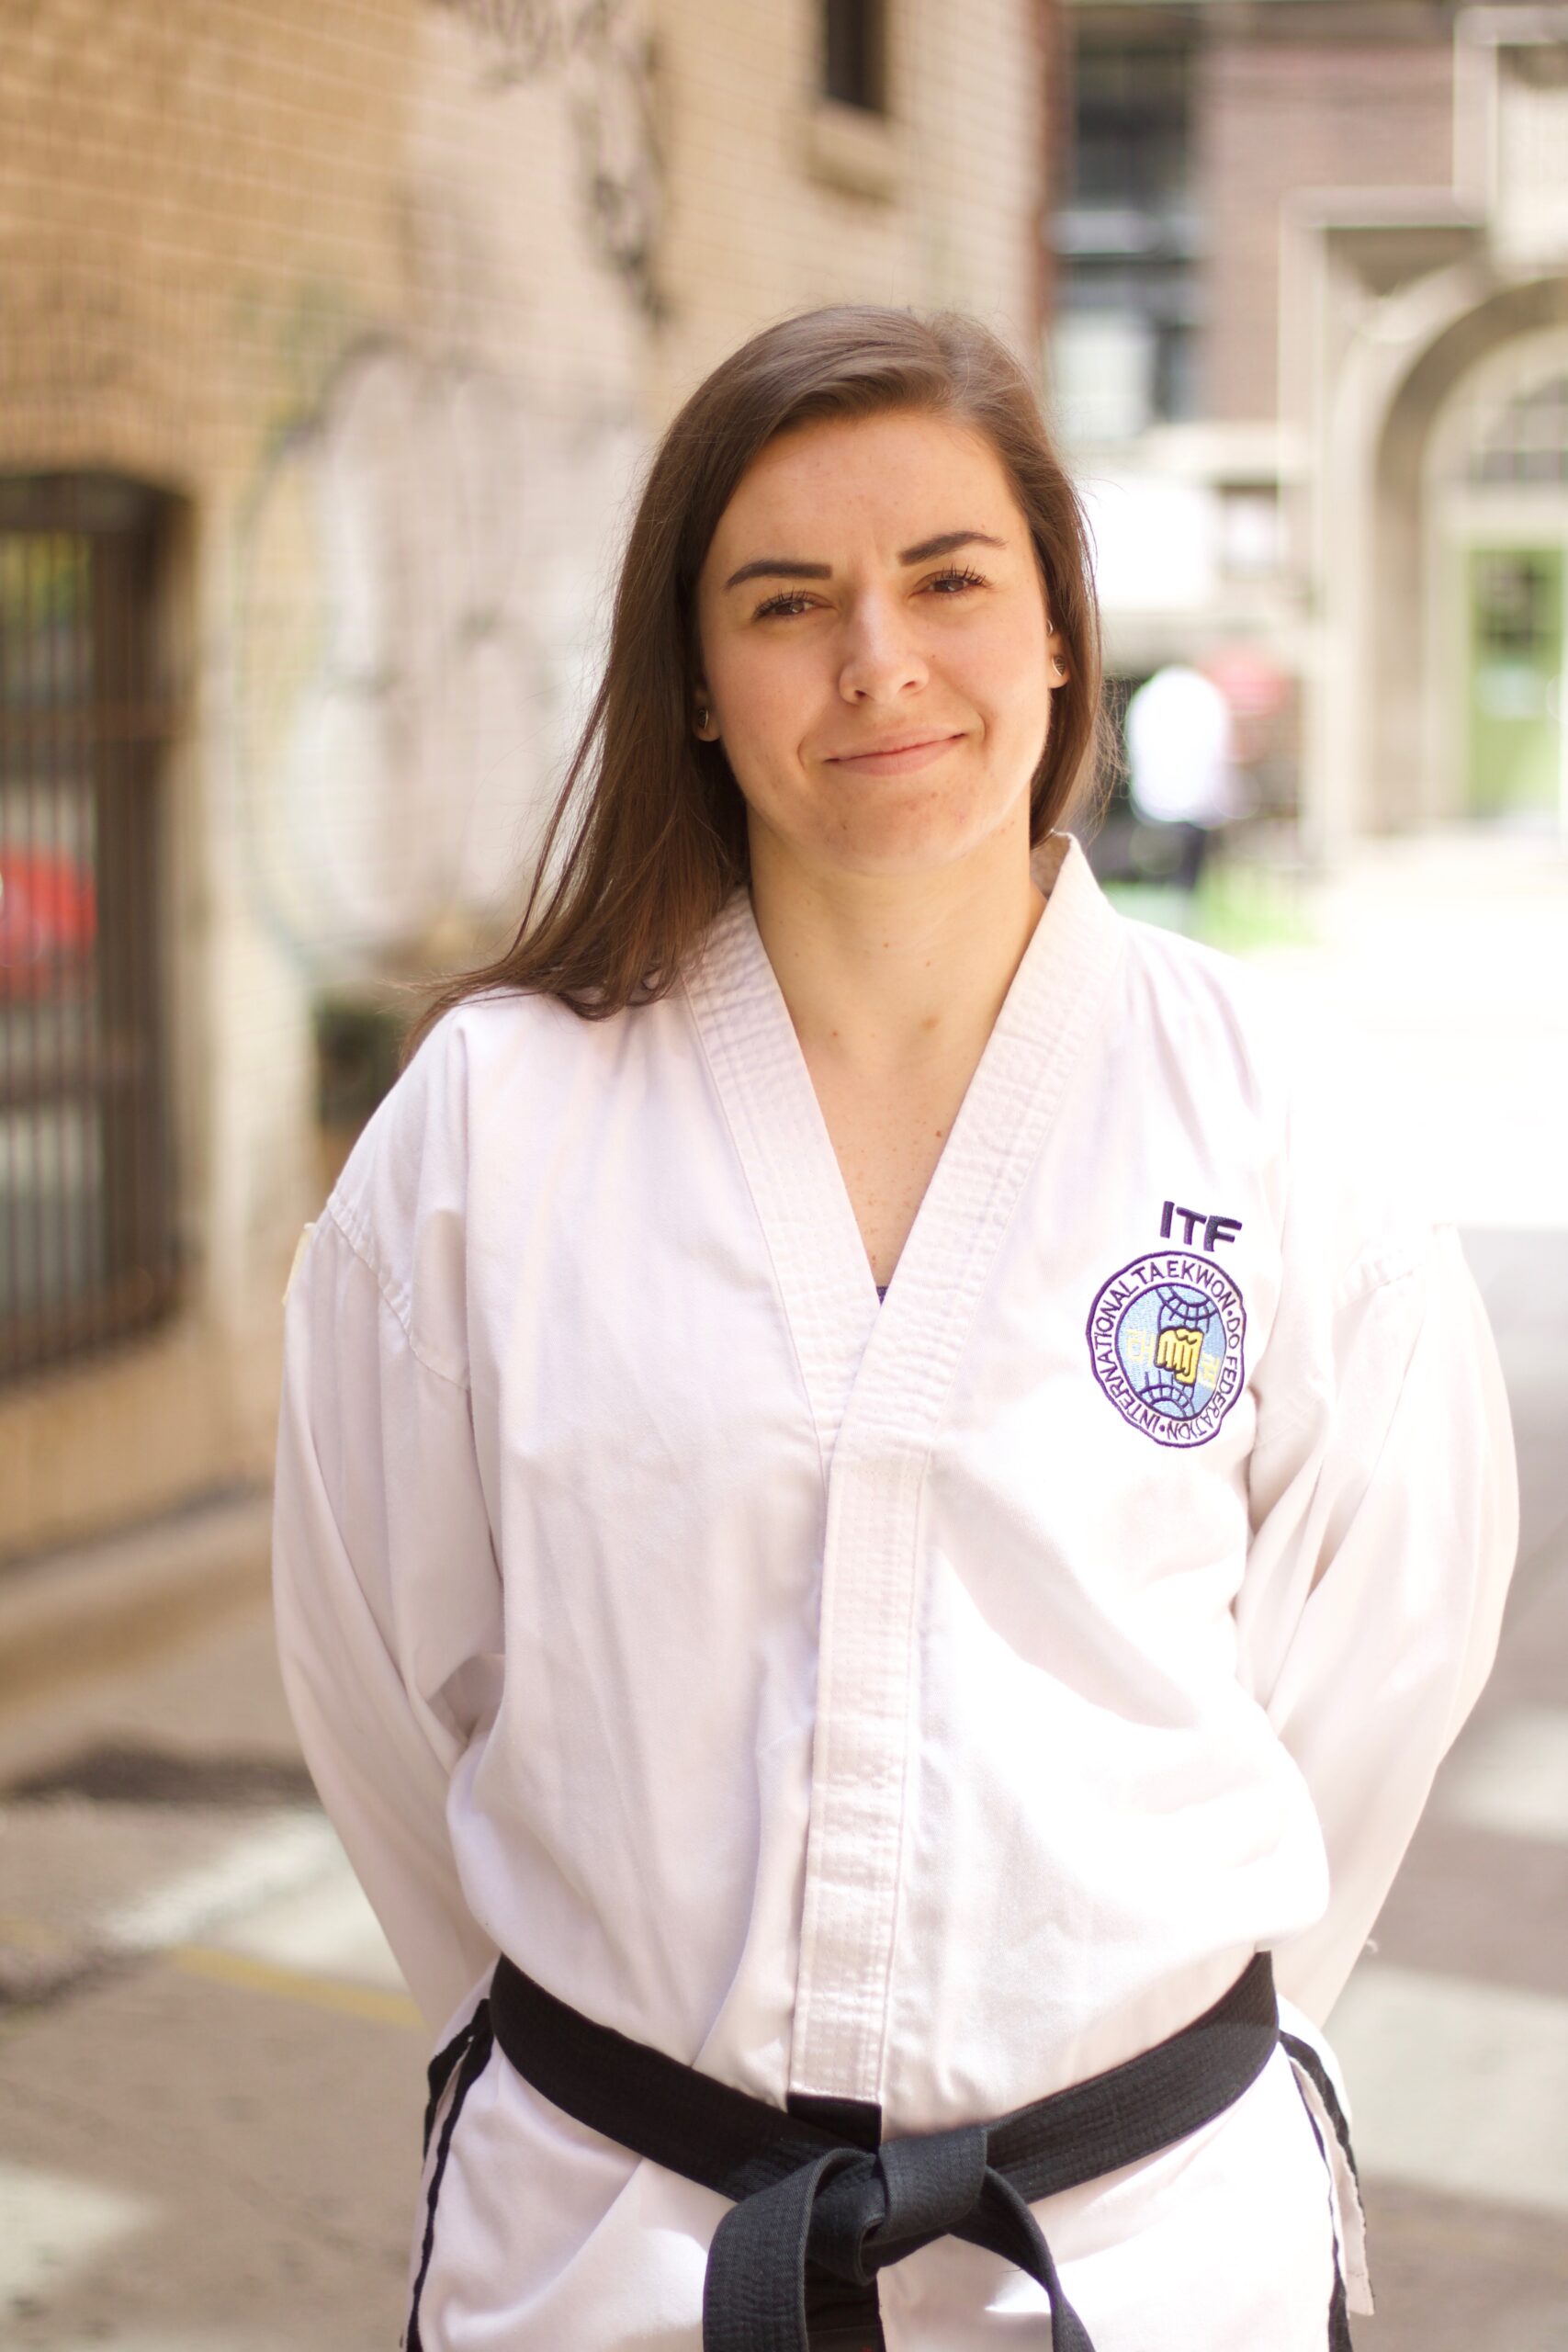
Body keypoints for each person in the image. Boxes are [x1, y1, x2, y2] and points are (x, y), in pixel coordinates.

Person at [270, 305, 1518, 2352]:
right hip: (605, 2250)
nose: (877, 660)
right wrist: (616, 2067)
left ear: (1055, 633)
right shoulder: (494, 1123)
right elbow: (395, 1687)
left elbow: (1374, 1662)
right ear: (691, 676)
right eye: (787, 600)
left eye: (949, 578)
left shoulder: (1263, 1107)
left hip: (1147, 2260)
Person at [1122, 662, 1241, 897]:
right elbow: (1218, 754)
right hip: (1192, 807)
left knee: (1159, 874)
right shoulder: (1204, 697)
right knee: (1185, 878)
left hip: (1155, 804)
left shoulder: (1151, 698)